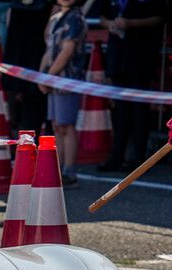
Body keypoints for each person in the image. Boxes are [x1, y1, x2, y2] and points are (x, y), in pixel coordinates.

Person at [97, 0, 165, 172]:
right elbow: (101, 15)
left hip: (141, 55)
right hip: (118, 55)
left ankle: (138, 158)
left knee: (139, 110)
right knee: (119, 110)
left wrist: (131, 23)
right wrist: (110, 23)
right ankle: (116, 156)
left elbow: (160, 17)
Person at [39, 0, 87, 187]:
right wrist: (41, 75)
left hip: (67, 79)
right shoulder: (57, 16)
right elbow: (48, 48)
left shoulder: (75, 18)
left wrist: (47, 76)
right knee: (56, 125)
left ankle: (69, 171)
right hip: (54, 79)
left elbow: (67, 51)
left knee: (66, 126)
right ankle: (57, 169)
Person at [3, 0, 52, 137]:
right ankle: (29, 145)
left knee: (41, 90)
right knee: (25, 89)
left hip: (43, 16)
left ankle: (46, 142)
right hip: (20, 15)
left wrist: (54, 15)